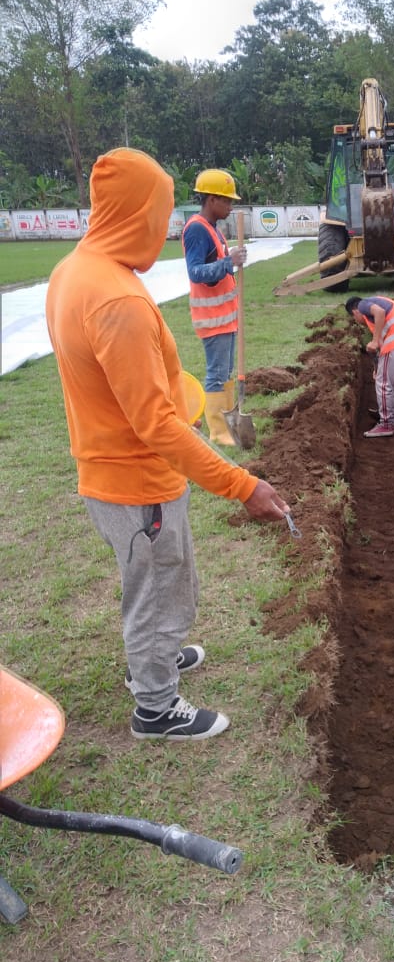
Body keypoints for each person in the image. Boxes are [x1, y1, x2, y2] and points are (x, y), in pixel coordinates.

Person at [46, 147, 290, 742]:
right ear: (136, 214)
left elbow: (123, 387)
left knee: (159, 580)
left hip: (107, 470)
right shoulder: (117, 300)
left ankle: (155, 655)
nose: (165, 230)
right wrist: (242, 484)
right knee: (158, 587)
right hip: (136, 481)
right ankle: (154, 705)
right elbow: (154, 424)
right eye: (160, 215)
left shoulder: (76, 271)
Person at [182, 169, 247, 445]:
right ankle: (219, 432)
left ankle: (229, 424)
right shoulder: (197, 229)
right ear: (211, 200)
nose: (230, 206)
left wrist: (231, 260)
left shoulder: (213, 229)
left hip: (226, 317)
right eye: (227, 200)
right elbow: (196, 272)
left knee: (225, 373)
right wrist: (229, 262)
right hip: (212, 319)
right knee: (217, 375)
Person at [345, 295, 394, 437]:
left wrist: (373, 341)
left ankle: (386, 424)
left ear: (355, 312)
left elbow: (379, 312)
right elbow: (380, 346)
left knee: (383, 383)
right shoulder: (379, 313)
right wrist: (377, 367)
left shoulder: (362, 304)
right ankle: (393, 419)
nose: (358, 322)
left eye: (354, 318)